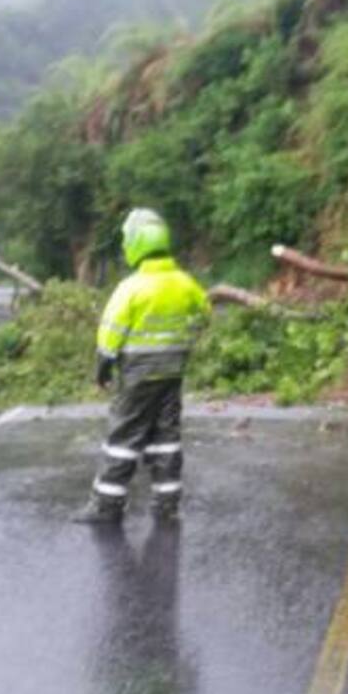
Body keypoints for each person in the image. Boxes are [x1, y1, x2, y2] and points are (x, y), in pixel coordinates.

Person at [72, 209, 210, 525]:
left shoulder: (132, 288)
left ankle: (107, 505)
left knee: (124, 435)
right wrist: (182, 340)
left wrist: (103, 367)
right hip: (173, 371)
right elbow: (203, 315)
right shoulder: (186, 284)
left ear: (135, 244)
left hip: (137, 373)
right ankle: (167, 502)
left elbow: (111, 332)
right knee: (167, 435)